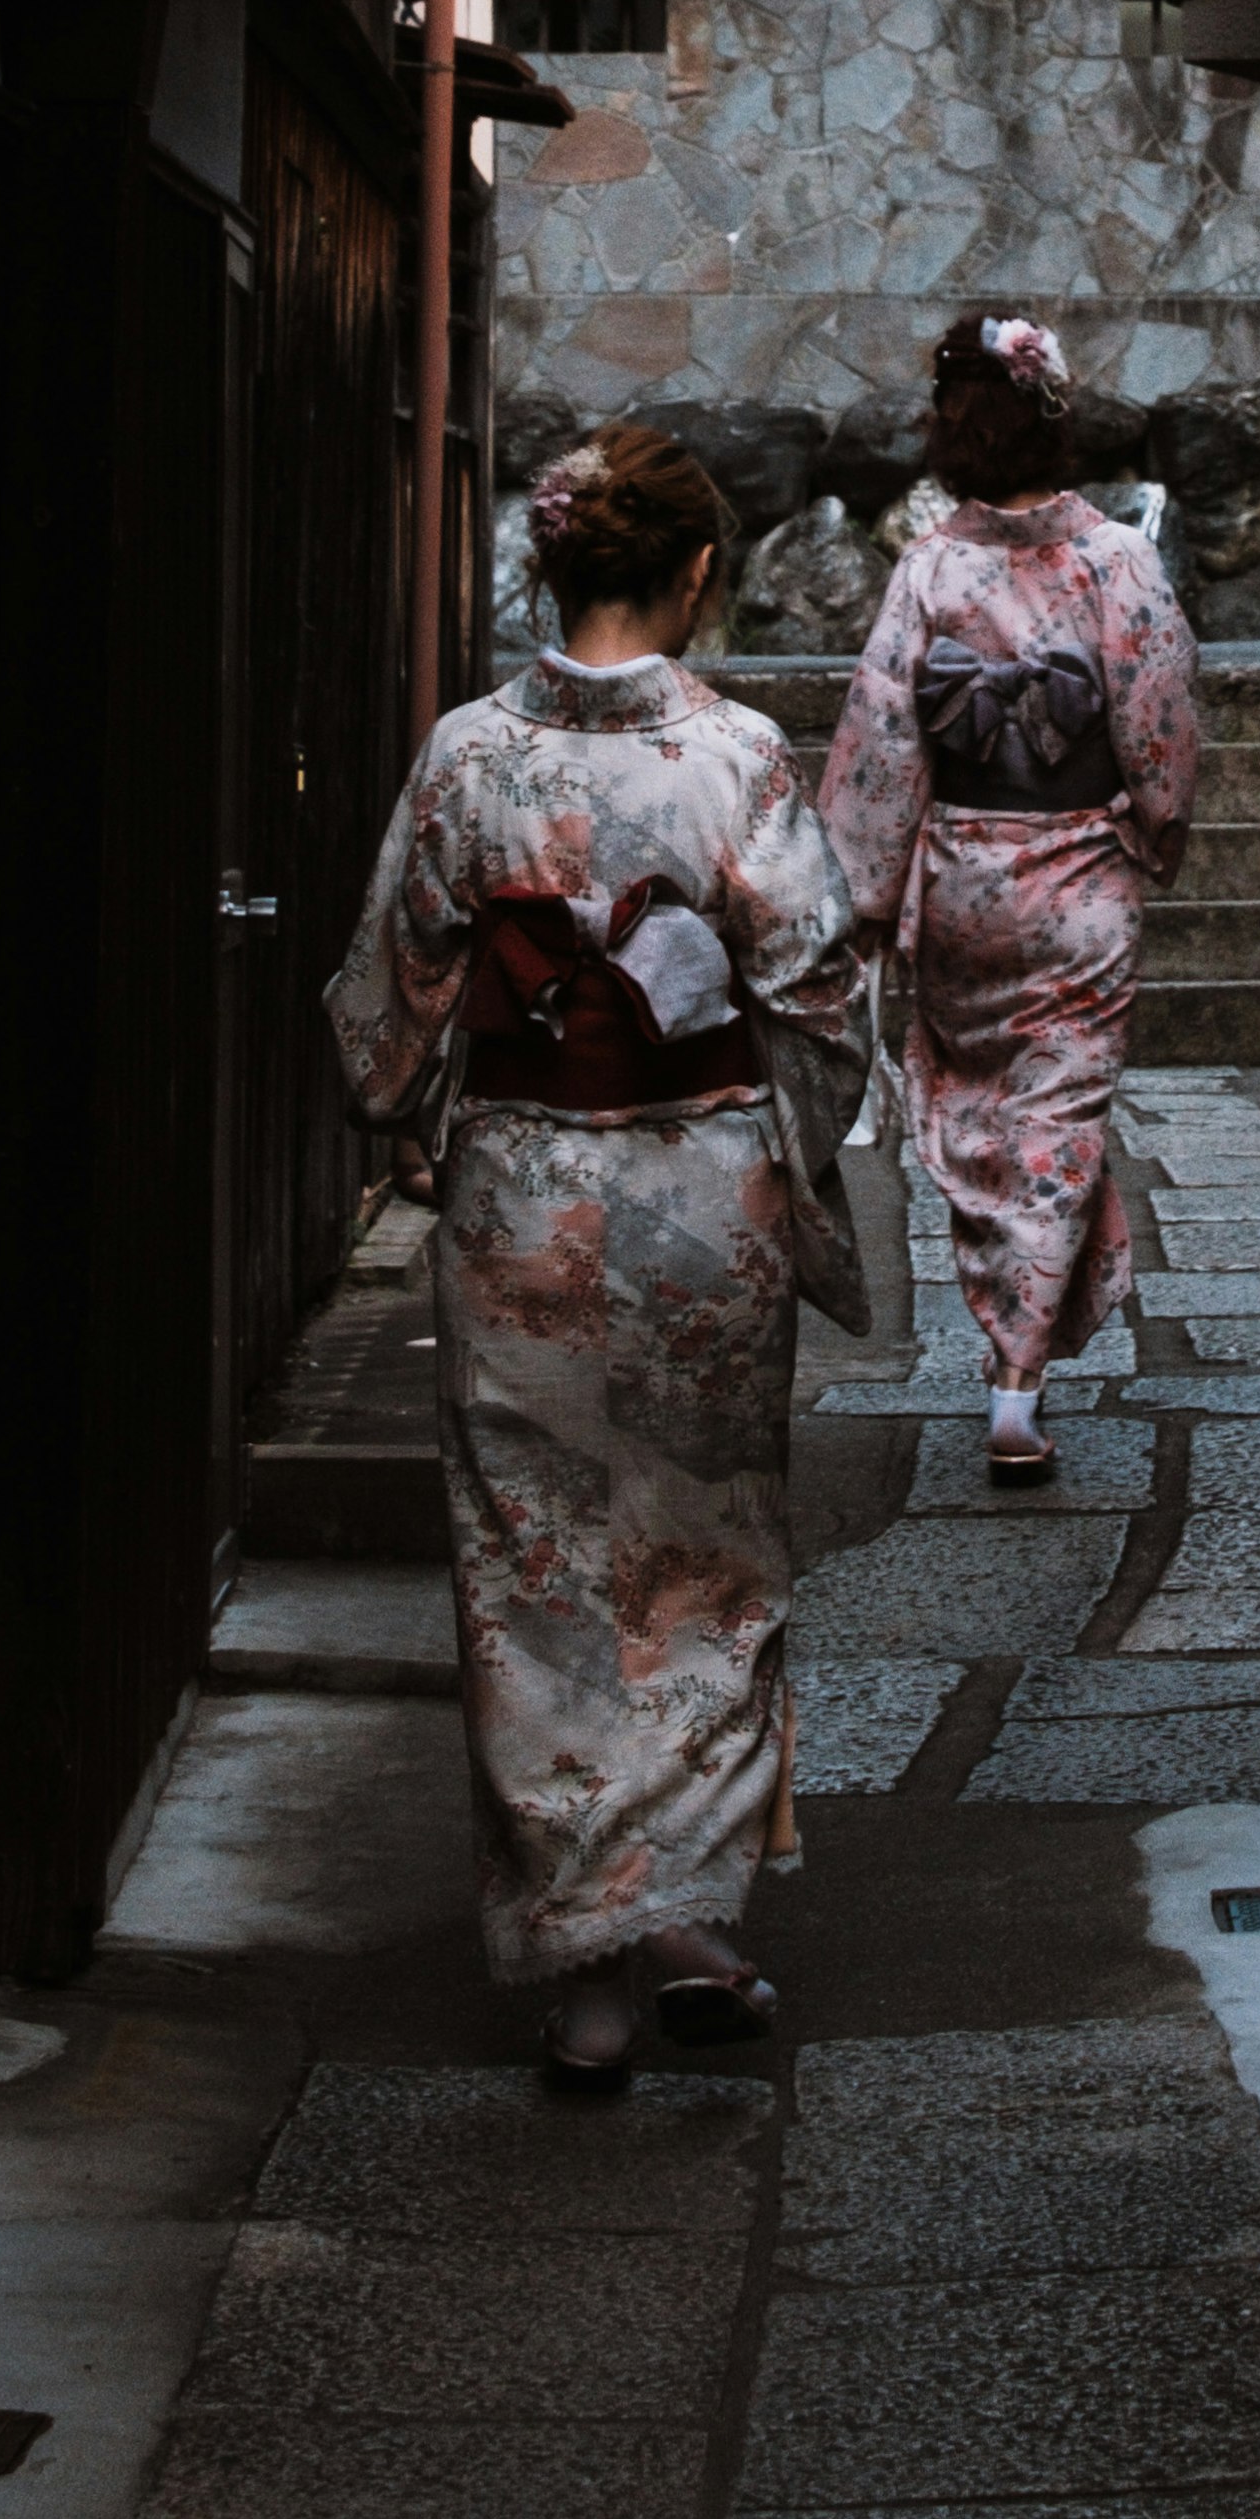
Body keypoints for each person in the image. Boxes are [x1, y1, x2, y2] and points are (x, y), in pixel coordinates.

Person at [327, 423, 869, 2089]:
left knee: (539, 1571)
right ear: (701, 572)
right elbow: (823, 999)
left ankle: (591, 1980)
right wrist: (790, 1148)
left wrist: (416, 1113)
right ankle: (689, 1914)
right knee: (702, 1557)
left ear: (548, 566)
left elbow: (386, 996)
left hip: (521, 1207)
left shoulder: (469, 757)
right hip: (706, 1197)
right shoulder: (738, 761)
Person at [820, 314, 1202, 1481]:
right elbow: (1159, 723)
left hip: (967, 884)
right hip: (1080, 881)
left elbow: (883, 744)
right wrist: (1153, 827)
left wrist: (869, 899)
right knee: (1060, 1121)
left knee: (985, 1127)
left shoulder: (930, 567)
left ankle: (1006, 1337)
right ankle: (1016, 1387)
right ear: (1057, 420)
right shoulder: (1117, 562)